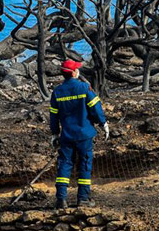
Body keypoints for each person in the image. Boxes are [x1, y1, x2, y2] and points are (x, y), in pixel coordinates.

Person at [49, 60, 108, 209]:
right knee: (85, 165)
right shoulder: (84, 88)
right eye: (77, 69)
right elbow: (96, 109)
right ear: (74, 73)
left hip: (66, 136)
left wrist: (55, 133)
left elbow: (53, 116)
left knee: (64, 165)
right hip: (84, 135)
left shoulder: (57, 92)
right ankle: (83, 198)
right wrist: (103, 123)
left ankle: (61, 200)